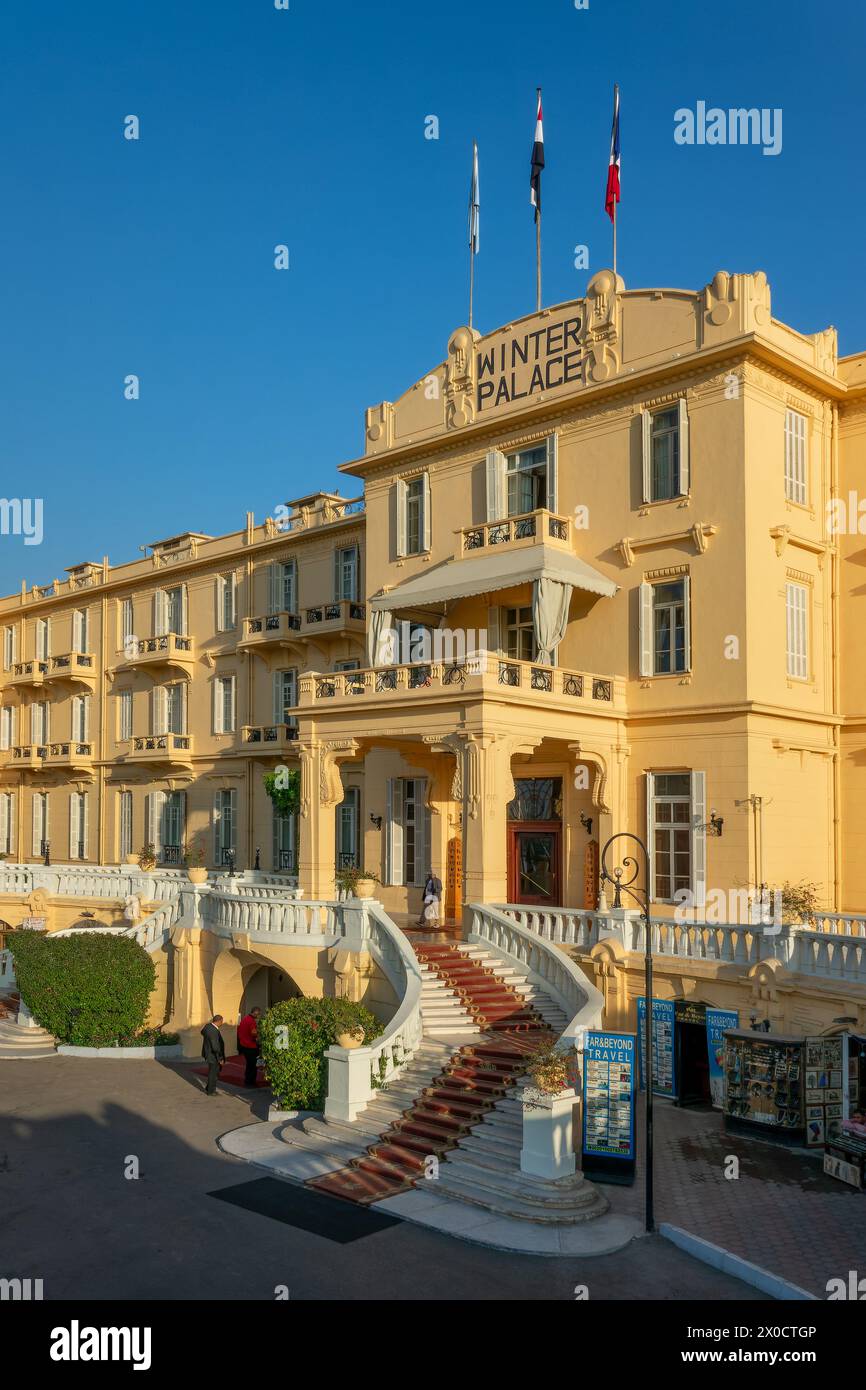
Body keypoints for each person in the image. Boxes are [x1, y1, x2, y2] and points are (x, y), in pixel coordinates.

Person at [200, 1014, 225, 1096]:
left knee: (213, 1072)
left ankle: (209, 1088)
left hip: (208, 1053)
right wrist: (220, 1058)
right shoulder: (213, 1031)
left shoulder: (208, 1026)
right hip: (213, 1055)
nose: (222, 1023)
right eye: (222, 1021)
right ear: (219, 1021)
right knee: (213, 1073)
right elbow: (215, 1047)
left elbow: (202, 1032)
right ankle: (211, 1091)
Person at [237, 1006, 261, 1088]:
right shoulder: (251, 1021)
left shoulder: (245, 1019)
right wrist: (259, 1034)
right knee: (253, 1065)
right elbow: (253, 1033)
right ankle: (251, 1082)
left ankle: (247, 1081)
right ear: (255, 1012)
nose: (258, 1016)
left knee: (249, 1065)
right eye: (258, 1014)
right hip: (251, 1046)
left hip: (244, 1045)